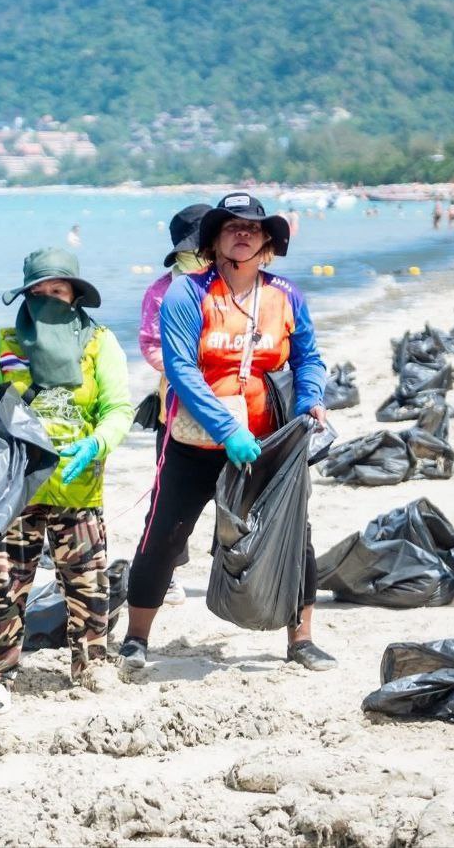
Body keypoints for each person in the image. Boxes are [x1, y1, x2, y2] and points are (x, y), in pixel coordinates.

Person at [120, 192, 335, 671]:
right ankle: (136, 637)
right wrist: (226, 429)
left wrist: (310, 401)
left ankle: (301, 639)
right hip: (196, 441)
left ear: (266, 243)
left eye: (253, 228)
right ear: (215, 240)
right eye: (231, 227)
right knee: (165, 535)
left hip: (269, 442)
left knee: (293, 536)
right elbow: (179, 369)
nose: (242, 234)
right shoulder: (187, 293)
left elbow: (308, 359)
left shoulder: (285, 294)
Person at [0, 247, 132, 715]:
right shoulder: (5, 343)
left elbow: (118, 409)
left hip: (78, 486)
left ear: (74, 296)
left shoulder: (99, 343)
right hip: (15, 486)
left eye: (56, 291)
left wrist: (97, 444)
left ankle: (90, 665)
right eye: (37, 292)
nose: (47, 299)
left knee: (87, 583)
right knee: (5, 584)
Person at [137, 203, 212, 606]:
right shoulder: (160, 292)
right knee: (168, 494)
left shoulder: (229, 286)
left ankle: (231, 564)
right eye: (192, 250)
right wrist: (186, 372)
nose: (197, 256)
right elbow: (150, 345)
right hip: (177, 407)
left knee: (236, 488)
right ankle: (166, 571)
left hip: (235, 406)